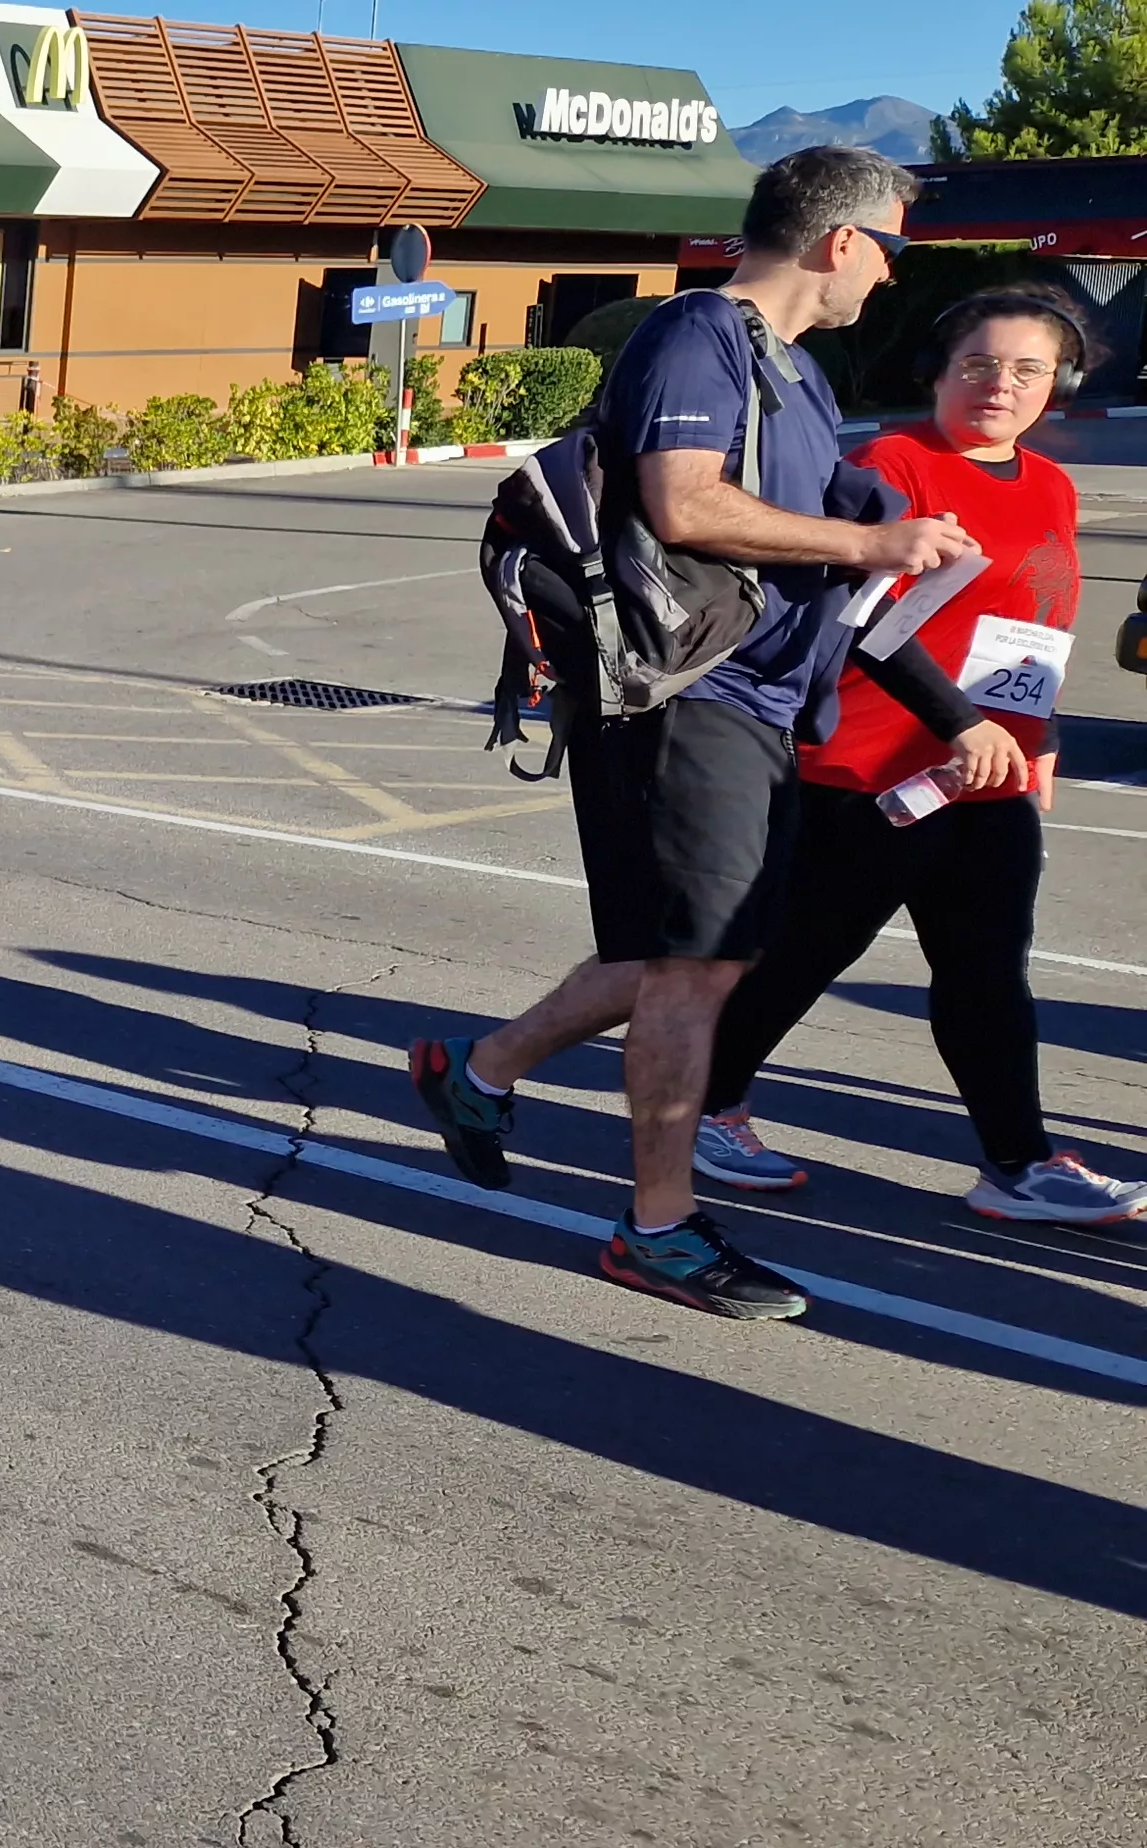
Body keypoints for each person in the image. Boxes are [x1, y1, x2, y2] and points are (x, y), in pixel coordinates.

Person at [406, 147, 986, 1321]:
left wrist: (890, 556)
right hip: (688, 692)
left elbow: (814, 558)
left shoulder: (799, 378)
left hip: (757, 700)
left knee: (676, 948)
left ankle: (477, 1071)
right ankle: (655, 1230)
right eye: (892, 248)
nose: (889, 276)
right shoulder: (698, 337)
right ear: (839, 241)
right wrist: (870, 542)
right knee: (700, 961)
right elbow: (684, 503)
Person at [693, 289, 1147, 1227]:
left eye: (1027, 368)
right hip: (870, 767)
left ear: (1056, 384)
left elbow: (1031, 626)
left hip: (991, 773)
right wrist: (957, 724)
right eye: (978, 363)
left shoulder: (1051, 484)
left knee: (987, 968)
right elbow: (860, 627)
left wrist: (1041, 734)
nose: (1000, 385)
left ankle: (1017, 1165)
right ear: (938, 373)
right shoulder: (893, 466)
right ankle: (702, 1107)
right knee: (805, 953)